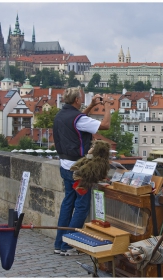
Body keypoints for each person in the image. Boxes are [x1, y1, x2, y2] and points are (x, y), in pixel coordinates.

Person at [53, 86, 111, 256]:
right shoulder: (76, 118)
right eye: (82, 98)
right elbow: (105, 125)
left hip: (64, 165)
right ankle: (68, 244)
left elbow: (78, 119)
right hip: (79, 170)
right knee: (81, 206)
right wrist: (107, 106)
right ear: (77, 100)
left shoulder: (61, 115)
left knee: (67, 204)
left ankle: (59, 243)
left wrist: (92, 106)